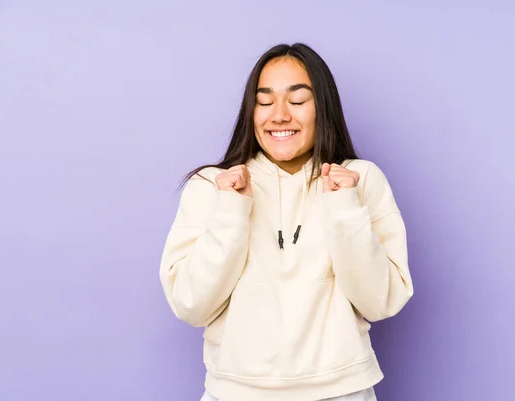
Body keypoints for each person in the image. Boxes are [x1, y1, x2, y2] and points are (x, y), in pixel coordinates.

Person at [159, 43, 413, 401]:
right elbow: (191, 304)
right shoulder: (213, 186)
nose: (279, 115)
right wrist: (232, 212)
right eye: (265, 102)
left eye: (297, 101)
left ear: (322, 109)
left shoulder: (360, 180)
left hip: (342, 391)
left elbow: (380, 301)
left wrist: (343, 207)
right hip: (235, 393)